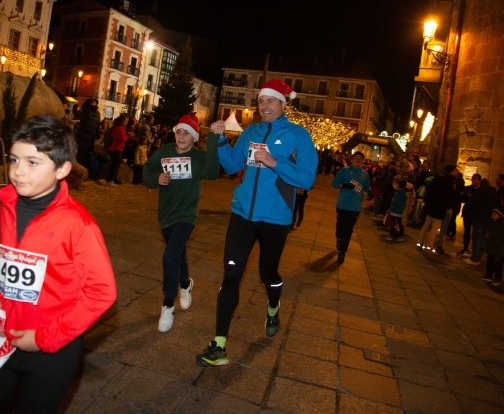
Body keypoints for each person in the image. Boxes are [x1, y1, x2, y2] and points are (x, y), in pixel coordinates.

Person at [0, 115, 116, 414]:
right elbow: (3, 262)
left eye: (33, 162)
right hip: (5, 336)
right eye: (14, 159)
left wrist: (45, 338)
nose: (18, 171)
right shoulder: (8, 204)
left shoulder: (78, 225)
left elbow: (102, 293)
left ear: (62, 169)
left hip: (52, 351)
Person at [195, 78, 317, 367]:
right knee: (230, 278)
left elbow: (307, 178)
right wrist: (221, 140)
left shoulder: (299, 136)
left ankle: (273, 306)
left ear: (283, 104)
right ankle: (219, 346)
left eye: (270, 101)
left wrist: (276, 162)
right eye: (261, 101)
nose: (265, 106)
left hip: (275, 220)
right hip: (242, 216)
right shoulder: (252, 131)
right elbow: (233, 165)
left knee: (268, 273)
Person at [144, 115, 220, 332]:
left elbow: (213, 173)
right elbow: (147, 171)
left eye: (187, 133)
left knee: (169, 256)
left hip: (187, 215)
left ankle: (168, 303)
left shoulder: (198, 157)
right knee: (177, 254)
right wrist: (156, 179)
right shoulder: (164, 152)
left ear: (194, 137)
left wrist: (213, 141)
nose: (181, 136)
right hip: (166, 214)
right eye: (179, 132)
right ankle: (186, 283)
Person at [332, 151, 371, 262]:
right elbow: (334, 183)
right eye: (356, 157)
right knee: (340, 229)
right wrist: (344, 185)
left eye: (361, 158)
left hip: (355, 207)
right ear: (352, 159)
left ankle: (342, 252)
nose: (358, 160)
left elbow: (367, 187)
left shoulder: (365, 174)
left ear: (363, 161)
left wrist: (371, 191)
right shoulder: (344, 170)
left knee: (348, 230)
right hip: (342, 205)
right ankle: (339, 239)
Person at [416, 165, 459, 254]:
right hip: (440, 207)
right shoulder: (449, 181)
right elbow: (448, 195)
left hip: (431, 204)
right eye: (455, 170)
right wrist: (453, 190)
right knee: (435, 227)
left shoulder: (437, 177)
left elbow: (430, 189)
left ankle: (420, 243)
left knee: (426, 225)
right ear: (451, 171)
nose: (457, 171)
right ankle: (429, 247)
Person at [464, 178, 498, 266]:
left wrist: (470, 198)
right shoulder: (494, 192)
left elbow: (472, 202)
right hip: (488, 218)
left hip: (479, 217)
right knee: (482, 239)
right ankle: (479, 258)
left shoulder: (481, 191)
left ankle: (474, 258)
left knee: (477, 238)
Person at [479, 208, 504, 285]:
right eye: (492, 213)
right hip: (492, 248)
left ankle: (497, 278)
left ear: (500, 215)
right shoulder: (493, 224)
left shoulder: (502, 225)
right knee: (490, 262)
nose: (492, 214)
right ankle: (489, 275)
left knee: (498, 265)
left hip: (499, 250)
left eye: (495, 213)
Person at [457, 173, 481, 256]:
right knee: (467, 231)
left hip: (476, 213)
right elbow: (462, 199)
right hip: (467, 212)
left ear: (479, 181)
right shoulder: (467, 188)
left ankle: (475, 250)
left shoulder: (481, 191)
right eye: (473, 179)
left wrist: (472, 197)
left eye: (475, 179)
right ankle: (465, 248)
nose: (473, 180)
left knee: (476, 233)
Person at [74, 98, 100, 171]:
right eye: (92, 102)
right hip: (83, 136)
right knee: (81, 154)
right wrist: (89, 100)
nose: (94, 104)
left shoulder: (97, 113)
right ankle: (79, 169)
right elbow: (84, 106)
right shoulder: (87, 111)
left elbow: (98, 124)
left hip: (91, 138)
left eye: (95, 103)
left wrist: (97, 135)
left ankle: (84, 170)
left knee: (87, 154)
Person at [106, 113, 129, 187]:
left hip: (117, 148)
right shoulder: (120, 128)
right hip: (117, 148)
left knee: (114, 165)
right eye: (126, 120)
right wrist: (127, 136)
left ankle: (111, 179)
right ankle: (110, 180)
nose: (127, 122)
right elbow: (122, 139)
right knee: (114, 165)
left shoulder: (119, 127)